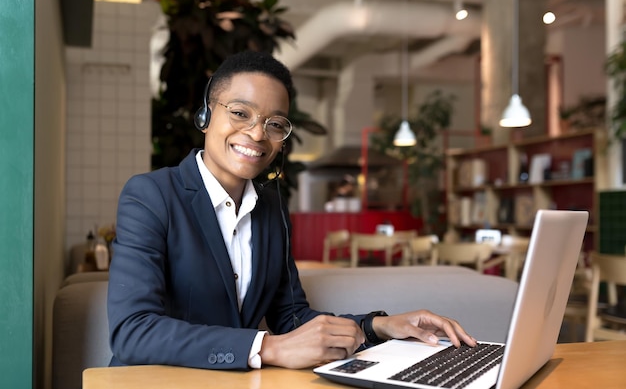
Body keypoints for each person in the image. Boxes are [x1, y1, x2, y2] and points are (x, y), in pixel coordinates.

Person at [107, 50, 476, 371]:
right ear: (205, 115)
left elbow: (291, 317)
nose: (256, 134)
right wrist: (269, 347)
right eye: (240, 113)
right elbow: (132, 330)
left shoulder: (271, 208)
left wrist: (380, 326)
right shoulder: (151, 195)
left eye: (275, 124)